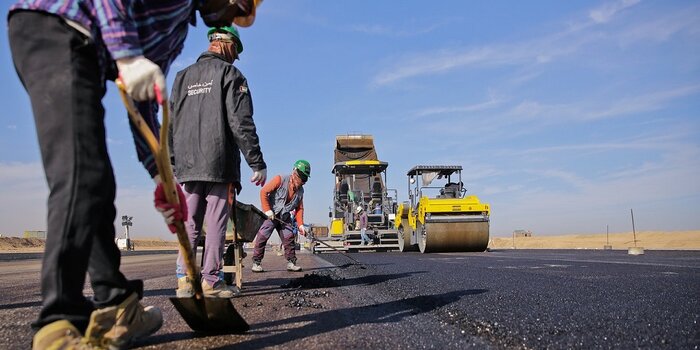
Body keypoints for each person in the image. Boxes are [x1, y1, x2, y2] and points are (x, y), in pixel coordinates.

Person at [7, 1, 261, 348]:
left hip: (87, 56)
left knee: (97, 184)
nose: (233, 19)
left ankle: (115, 305)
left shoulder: (177, 32)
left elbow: (141, 100)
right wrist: (126, 56)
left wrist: (160, 175)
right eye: (238, 9)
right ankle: (58, 324)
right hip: (57, 28)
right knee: (81, 176)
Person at [169, 26, 267, 298]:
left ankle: (185, 280)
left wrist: (174, 163)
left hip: (188, 166)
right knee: (215, 223)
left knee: (189, 222)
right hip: (219, 163)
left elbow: (171, 125)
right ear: (225, 44)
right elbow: (241, 122)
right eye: (236, 51)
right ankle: (211, 281)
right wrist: (256, 162)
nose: (235, 58)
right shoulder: (230, 74)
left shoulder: (181, 78)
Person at [252, 160, 311, 272]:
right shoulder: (280, 179)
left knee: (289, 237)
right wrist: (267, 210)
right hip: (271, 214)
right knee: (262, 237)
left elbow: (299, 208)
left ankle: (291, 263)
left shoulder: (300, 191)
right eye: (301, 177)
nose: (303, 181)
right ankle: (256, 262)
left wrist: (301, 225)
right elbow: (263, 192)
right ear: (294, 173)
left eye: (305, 179)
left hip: (284, 216)